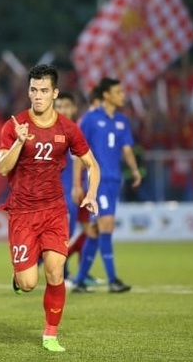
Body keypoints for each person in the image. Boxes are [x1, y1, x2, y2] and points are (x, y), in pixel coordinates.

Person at [0, 64, 100, 352]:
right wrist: (19, 141)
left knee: (55, 274)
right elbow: (1, 168)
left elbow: (93, 164)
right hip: (22, 213)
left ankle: (50, 334)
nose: (38, 96)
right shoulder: (14, 125)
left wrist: (91, 193)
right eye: (33, 90)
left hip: (55, 210)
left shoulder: (68, 129)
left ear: (54, 93)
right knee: (29, 283)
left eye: (44, 90)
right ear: (28, 91)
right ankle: (19, 279)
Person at [71, 77, 142, 294]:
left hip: (114, 181)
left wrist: (135, 170)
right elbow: (78, 153)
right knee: (107, 224)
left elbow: (127, 149)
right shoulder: (90, 119)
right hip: (96, 181)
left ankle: (80, 279)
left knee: (95, 230)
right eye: (118, 92)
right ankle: (113, 280)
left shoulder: (122, 121)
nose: (123, 95)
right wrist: (76, 184)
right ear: (106, 95)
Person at [53, 91, 102, 286]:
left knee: (90, 230)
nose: (62, 110)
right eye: (59, 106)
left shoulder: (76, 129)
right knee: (64, 234)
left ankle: (81, 274)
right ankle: (59, 273)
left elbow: (82, 160)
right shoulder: (50, 130)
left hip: (80, 190)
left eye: (66, 105)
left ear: (73, 108)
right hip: (64, 192)